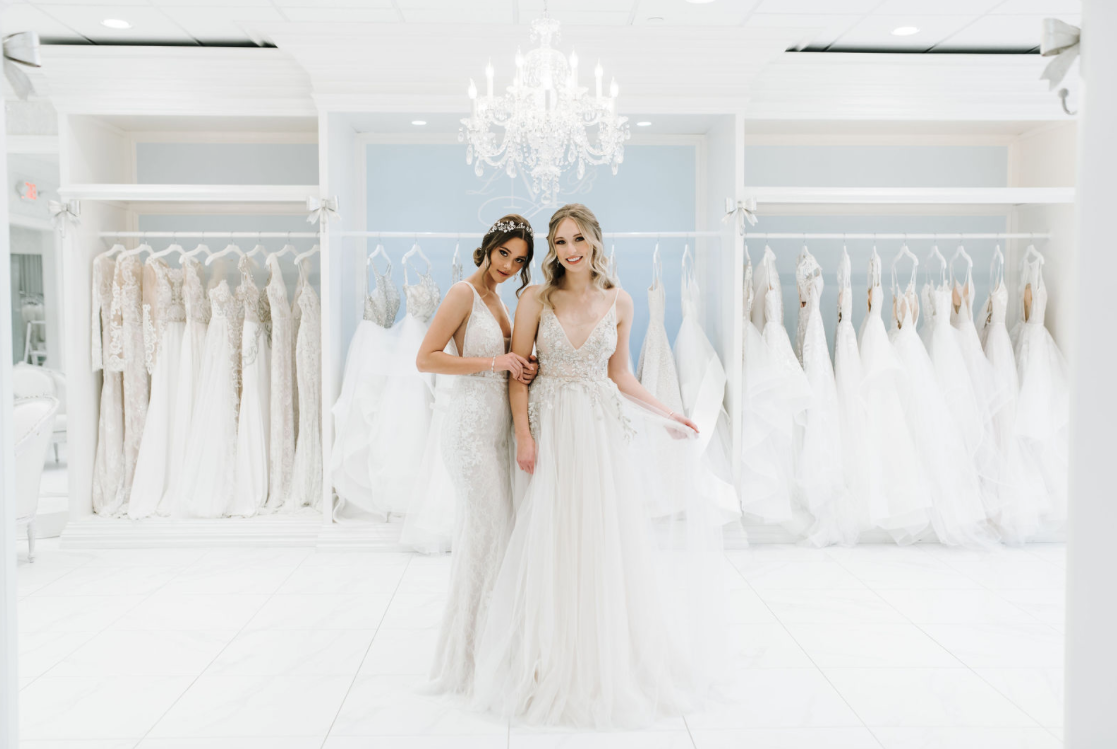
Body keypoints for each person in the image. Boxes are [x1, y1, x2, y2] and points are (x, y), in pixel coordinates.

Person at [472, 203, 729, 728]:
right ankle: (547, 658)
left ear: (594, 242)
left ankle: (601, 656)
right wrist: (523, 434)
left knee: (599, 541)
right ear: (552, 249)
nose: (569, 251)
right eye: (560, 242)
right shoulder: (533, 299)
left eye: (578, 240)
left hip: (598, 435)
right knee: (552, 539)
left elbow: (622, 377)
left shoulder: (620, 301)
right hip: (551, 430)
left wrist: (669, 414)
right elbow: (518, 374)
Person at [415, 214, 536, 696]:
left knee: (496, 537)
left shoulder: (497, 299)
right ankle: (464, 663)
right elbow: (427, 357)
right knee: (487, 536)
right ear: (487, 246)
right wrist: (495, 361)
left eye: (519, 260)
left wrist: (523, 364)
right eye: (504, 253)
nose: (508, 265)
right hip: (468, 431)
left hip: (496, 432)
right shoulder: (462, 293)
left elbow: (509, 356)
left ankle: (492, 649)